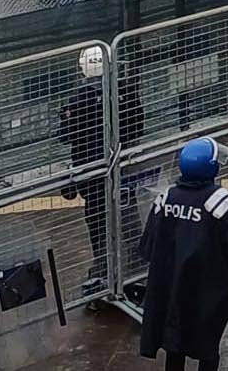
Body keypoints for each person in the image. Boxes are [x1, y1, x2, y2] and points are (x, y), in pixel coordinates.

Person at [136, 137, 228, 371]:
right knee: (208, 346)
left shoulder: (165, 198)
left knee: (174, 344)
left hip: (171, 289)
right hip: (208, 291)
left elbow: (148, 247)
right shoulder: (221, 202)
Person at [58, 44, 146, 294]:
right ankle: (137, 266)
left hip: (91, 171)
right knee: (128, 215)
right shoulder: (126, 90)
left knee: (97, 220)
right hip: (122, 164)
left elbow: (65, 135)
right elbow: (138, 127)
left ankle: (104, 269)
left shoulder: (79, 99)